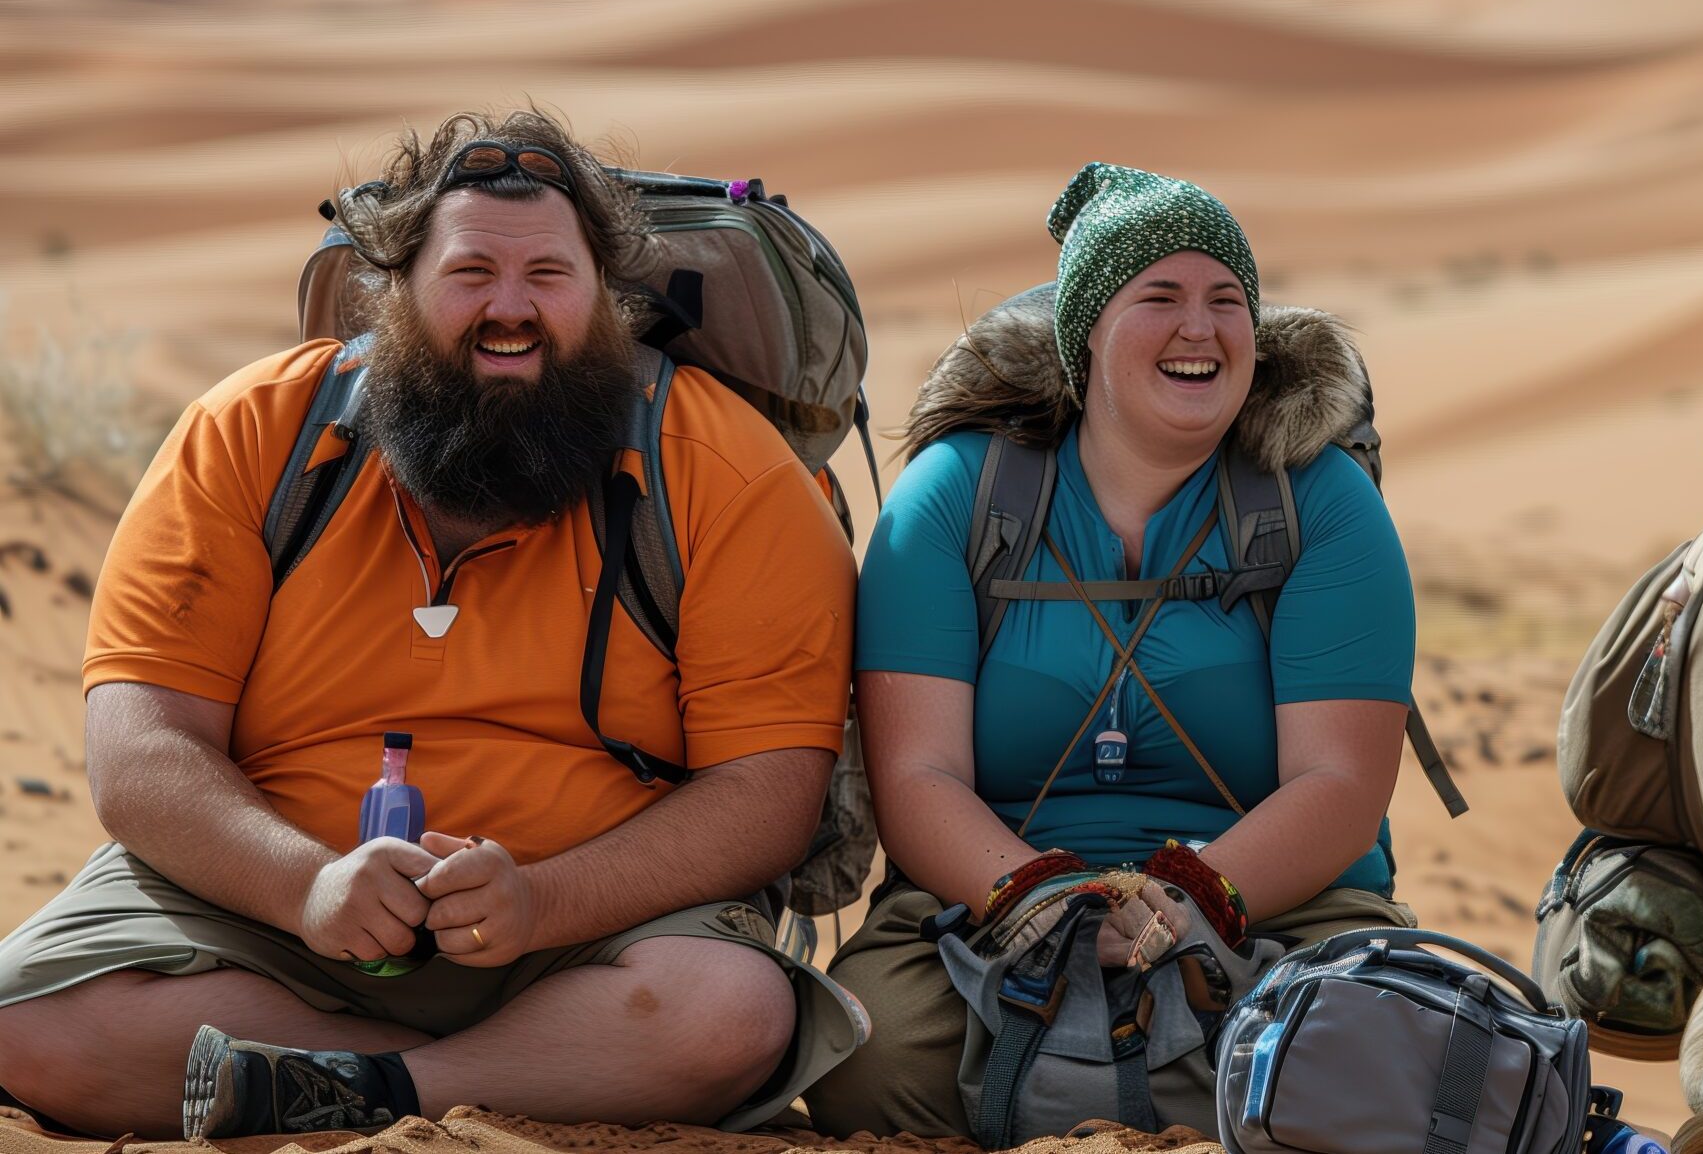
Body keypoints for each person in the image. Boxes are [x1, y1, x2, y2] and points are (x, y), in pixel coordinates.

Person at [0, 111, 862, 1140]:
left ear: (606, 303)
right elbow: (141, 747)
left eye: (550, 275)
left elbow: (765, 791)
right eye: (469, 274)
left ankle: (344, 1087)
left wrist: (542, 903)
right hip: (269, 914)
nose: (511, 310)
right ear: (393, 293)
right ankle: (480, 1079)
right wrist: (308, 886)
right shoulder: (249, 435)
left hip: (588, 928)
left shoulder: (728, 473)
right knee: (29, 1026)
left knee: (729, 1015)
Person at [804, 162, 1419, 1138]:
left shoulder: (1322, 503)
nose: (1200, 328)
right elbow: (916, 776)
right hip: (984, 900)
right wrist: (1041, 899)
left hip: (1281, 903)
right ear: (1082, 330)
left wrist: (1183, 901)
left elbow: (1340, 785)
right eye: (1159, 297)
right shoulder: (956, 498)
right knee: (867, 1060)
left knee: (1373, 1052)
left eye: (1227, 301)